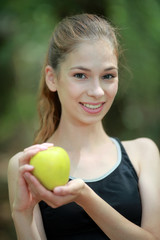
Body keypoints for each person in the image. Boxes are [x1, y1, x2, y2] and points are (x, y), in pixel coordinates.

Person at [8, 13, 160, 240]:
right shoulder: (26, 167)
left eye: (108, 76)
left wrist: (85, 198)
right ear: (52, 78)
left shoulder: (143, 152)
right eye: (80, 75)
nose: (97, 91)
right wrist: (21, 213)